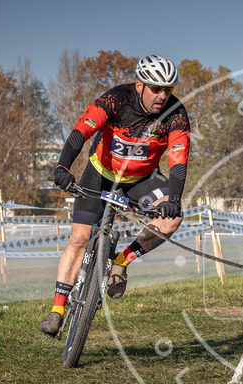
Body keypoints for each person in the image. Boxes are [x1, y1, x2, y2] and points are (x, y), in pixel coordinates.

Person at [40, 54, 191, 337]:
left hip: (141, 179)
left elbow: (178, 162)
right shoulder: (116, 99)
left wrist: (174, 200)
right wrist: (62, 167)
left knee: (174, 218)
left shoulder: (176, 114)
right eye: (156, 89)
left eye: (167, 90)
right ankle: (57, 309)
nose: (162, 96)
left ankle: (121, 262)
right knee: (79, 239)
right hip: (100, 172)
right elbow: (80, 132)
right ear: (139, 85)